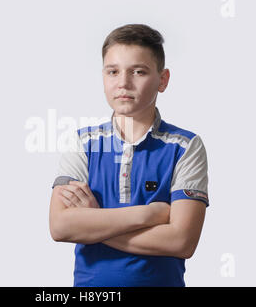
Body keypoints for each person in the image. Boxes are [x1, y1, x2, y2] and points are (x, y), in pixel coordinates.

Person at [49, 24, 210, 287]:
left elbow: (182, 241)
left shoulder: (186, 147)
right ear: (103, 76)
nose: (123, 82)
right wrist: (148, 215)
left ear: (163, 79)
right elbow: (60, 227)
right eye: (113, 71)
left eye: (138, 71)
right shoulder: (83, 143)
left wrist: (93, 223)